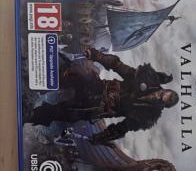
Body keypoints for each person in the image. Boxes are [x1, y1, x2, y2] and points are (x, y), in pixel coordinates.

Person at [30, 46, 178, 145]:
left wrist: (100, 138)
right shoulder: (146, 79)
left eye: (161, 99)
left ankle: (31, 115)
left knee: (63, 113)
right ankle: (38, 75)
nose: (158, 95)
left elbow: (122, 128)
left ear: (162, 105)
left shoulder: (148, 116)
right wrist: (97, 55)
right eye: (162, 92)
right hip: (99, 86)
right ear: (163, 89)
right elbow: (117, 65)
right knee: (78, 72)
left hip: (97, 107)